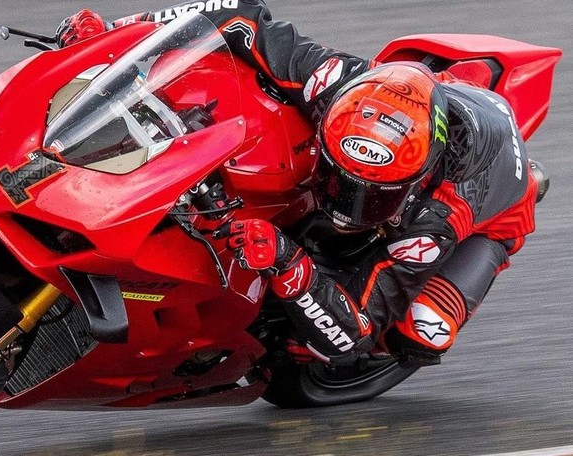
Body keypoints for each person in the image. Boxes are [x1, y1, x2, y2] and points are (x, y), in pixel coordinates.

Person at [54, 1, 546, 366]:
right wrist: (114, 32)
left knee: (416, 334)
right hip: (430, 96)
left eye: (374, 195)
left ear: (415, 182)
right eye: (340, 178)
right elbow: (237, 16)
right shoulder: (338, 85)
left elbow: (351, 334)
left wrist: (290, 264)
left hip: (495, 214)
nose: (345, 206)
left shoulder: (433, 221)